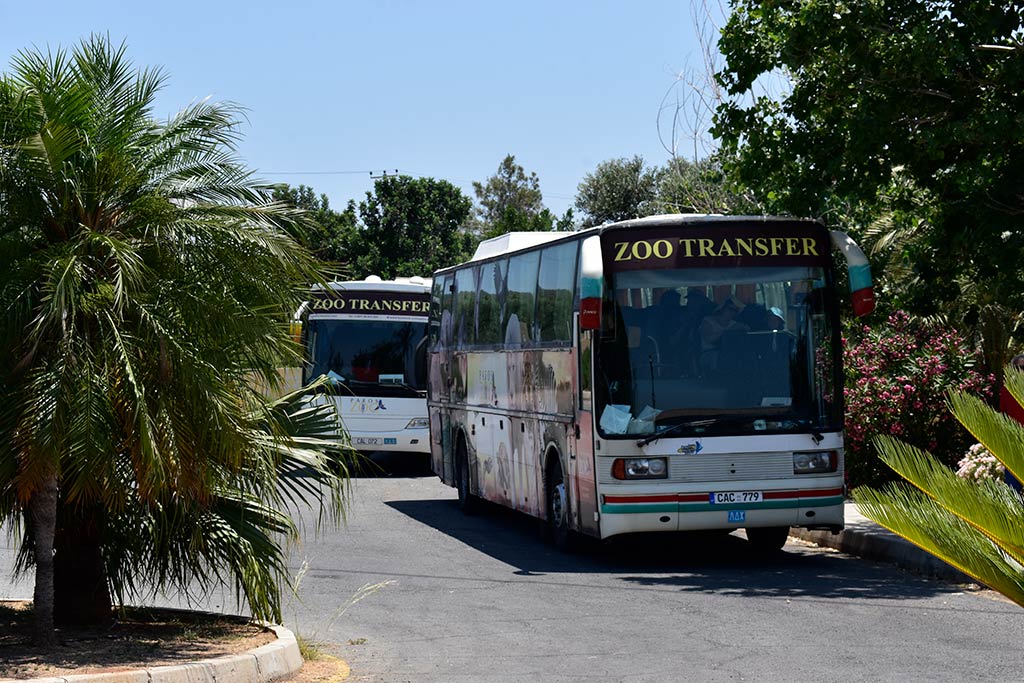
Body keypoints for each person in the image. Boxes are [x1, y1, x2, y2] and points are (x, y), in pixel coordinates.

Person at [698, 297, 749, 372]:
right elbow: (709, 340)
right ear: (722, 308)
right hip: (709, 353)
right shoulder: (707, 321)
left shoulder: (737, 325)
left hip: (732, 353)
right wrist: (726, 333)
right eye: (730, 309)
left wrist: (744, 329)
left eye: (735, 310)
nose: (732, 312)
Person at [1001, 353, 1024, 491]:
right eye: (1019, 368)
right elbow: (1003, 416)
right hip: (1013, 442)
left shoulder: (1007, 389)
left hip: (1013, 441)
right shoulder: (1007, 390)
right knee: (1012, 487)